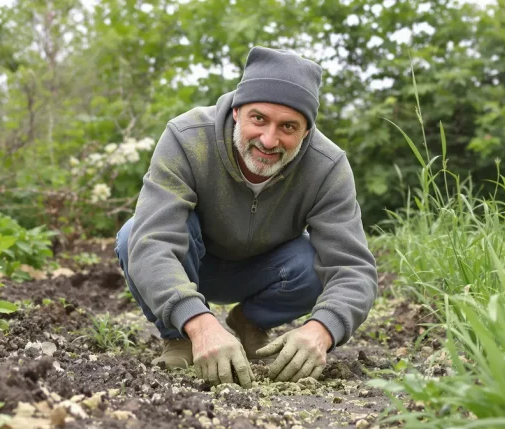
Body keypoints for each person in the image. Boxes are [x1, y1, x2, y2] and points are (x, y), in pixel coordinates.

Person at [115, 46, 377, 388]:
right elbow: (153, 242)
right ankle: (179, 335)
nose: (270, 140)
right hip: (192, 259)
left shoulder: (327, 167)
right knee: (133, 235)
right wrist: (199, 323)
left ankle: (249, 321)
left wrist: (322, 329)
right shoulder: (187, 138)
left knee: (314, 259)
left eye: (288, 127)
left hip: (266, 270)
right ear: (238, 110)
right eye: (259, 119)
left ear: (307, 131)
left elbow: (354, 268)